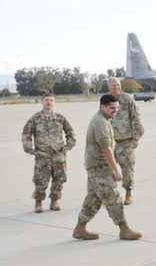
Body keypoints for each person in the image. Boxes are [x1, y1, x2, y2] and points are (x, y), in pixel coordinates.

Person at [72, 94, 142, 241]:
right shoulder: (101, 123)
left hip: (95, 166)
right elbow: (106, 149)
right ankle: (124, 229)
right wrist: (116, 170)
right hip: (100, 168)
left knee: (93, 199)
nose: (115, 111)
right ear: (102, 106)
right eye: (112, 108)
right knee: (113, 198)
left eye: (117, 108)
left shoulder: (103, 120)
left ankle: (80, 228)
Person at [20, 92, 76, 213]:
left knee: (59, 180)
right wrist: (30, 149)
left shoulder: (60, 118)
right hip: (42, 155)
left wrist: (69, 145)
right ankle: (38, 202)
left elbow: (70, 132)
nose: (49, 102)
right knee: (40, 180)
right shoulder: (35, 119)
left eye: (51, 100)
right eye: (46, 100)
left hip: (58, 155)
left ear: (54, 103)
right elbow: (26, 134)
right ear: (42, 102)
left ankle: (54, 201)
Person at [107, 77, 145, 205]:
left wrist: (136, 137)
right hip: (109, 142)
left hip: (125, 141)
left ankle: (129, 193)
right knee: (107, 169)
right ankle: (109, 195)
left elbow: (137, 119)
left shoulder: (128, 99)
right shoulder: (106, 100)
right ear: (109, 87)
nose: (116, 87)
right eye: (113, 86)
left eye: (118, 85)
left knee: (127, 169)